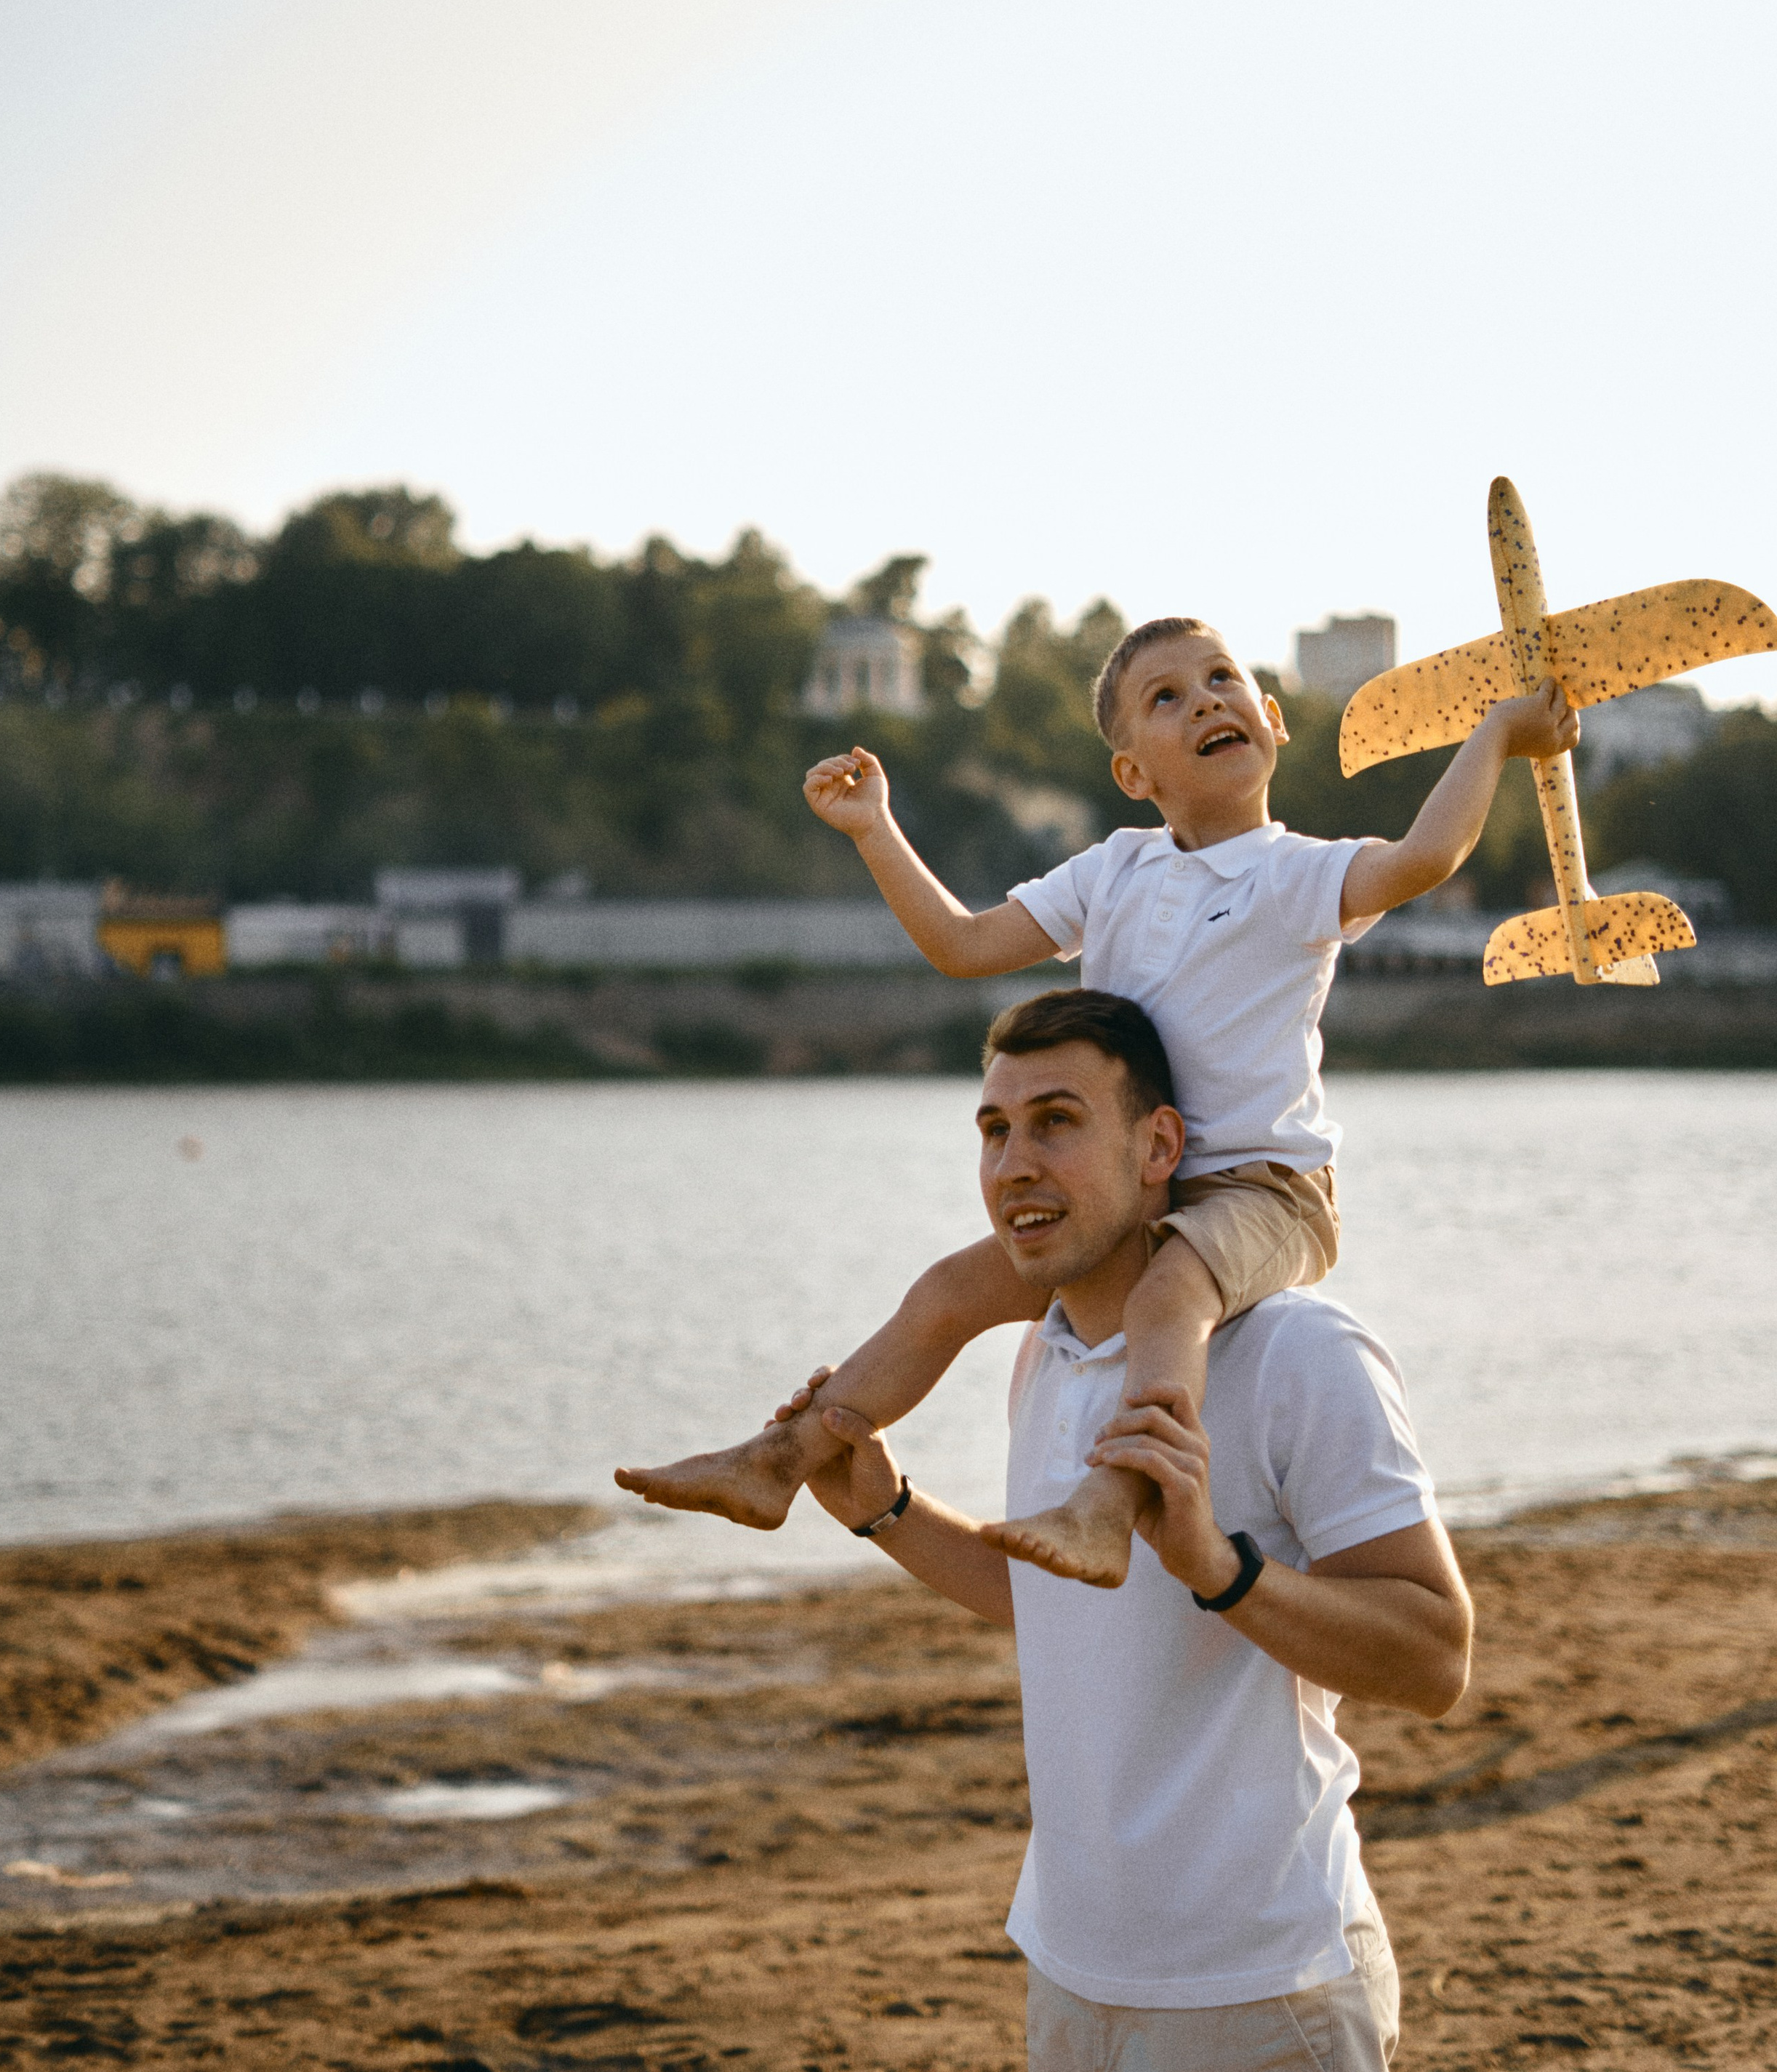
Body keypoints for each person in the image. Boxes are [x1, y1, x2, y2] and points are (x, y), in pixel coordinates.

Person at [617, 614, 1571, 1586]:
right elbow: (965, 944)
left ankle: (1110, 1503)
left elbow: (1422, 859)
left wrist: (1495, 734)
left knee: (1168, 1293)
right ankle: (780, 1461)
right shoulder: (1116, 867)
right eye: (1166, 697)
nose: (1205, 699)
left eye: (1221, 679)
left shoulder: (1297, 873)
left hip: (1262, 1190)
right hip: (1125, 1189)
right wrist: (875, 828)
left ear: (1273, 719)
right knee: (950, 1291)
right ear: (1133, 775)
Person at [786, 984, 1471, 2072]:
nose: (1015, 1164)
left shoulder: (1302, 1354)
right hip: (1071, 1979)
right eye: (992, 1130)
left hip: (1263, 1997)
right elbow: (1050, 1605)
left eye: (1057, 1122)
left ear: (1159, 1148)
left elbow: (1437, 1654)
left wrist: (1220, 1567)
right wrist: (881, 1505)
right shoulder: (1043, 1353)